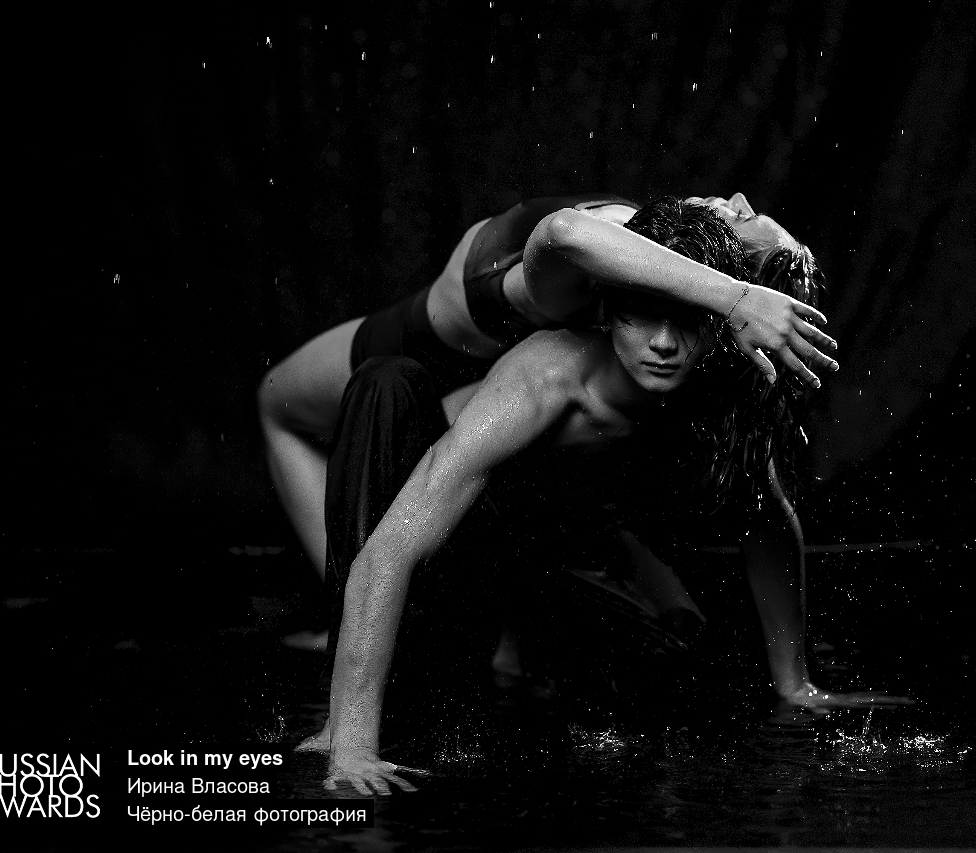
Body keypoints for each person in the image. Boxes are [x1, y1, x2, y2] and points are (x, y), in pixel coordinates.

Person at [300, 198, 905, 797]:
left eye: (687, 322)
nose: (663, 344)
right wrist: (352, 744)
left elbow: (766, 519)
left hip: (541, 550)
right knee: (386, 384)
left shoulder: (717, 395)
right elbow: (392, 548)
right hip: (442, 544)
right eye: (642, 317)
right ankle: (352, 707)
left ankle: (516, 651)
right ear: (609, 311)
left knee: (673, 676)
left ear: (718, 328)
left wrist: (794, 682)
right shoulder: (551, 373)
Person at [258, 193, 840, 584]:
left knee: (471, 476)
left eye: (744, 220)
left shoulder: (671, 298)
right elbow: (565, 231)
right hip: (432, 340)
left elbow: (761, 502)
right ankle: (344, 602)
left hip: (488, 367)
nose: (737, 200)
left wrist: (796, 683)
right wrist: (739, 298)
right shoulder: (631, 241)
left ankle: (394, 612)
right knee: (280, 404)